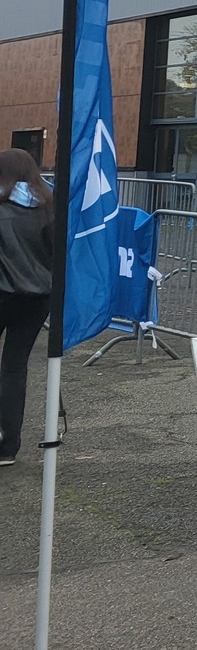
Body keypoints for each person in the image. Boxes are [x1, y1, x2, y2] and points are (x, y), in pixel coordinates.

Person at [0, 148, 56, 469]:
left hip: (4, 293)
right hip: (37, 299)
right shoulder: (48, 207)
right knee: (14, 367)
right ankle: (8, 445)